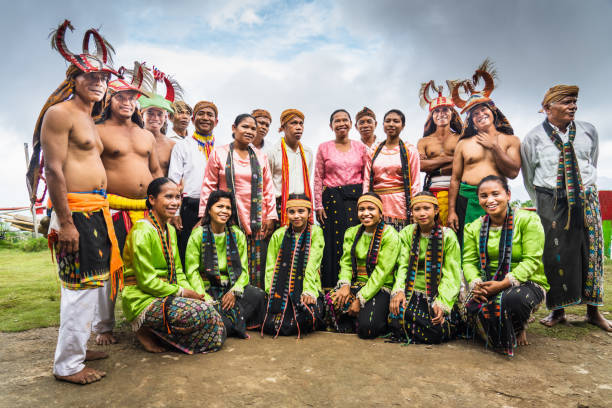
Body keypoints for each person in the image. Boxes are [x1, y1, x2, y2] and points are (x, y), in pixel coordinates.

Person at [27, 20, 123, 385]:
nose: (99, 82)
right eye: (90, 77)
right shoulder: (60, 113)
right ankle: (67, 365)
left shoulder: (89, 116)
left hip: (96, 210)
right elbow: (52, 170)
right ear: (73, 80)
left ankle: (80, 346)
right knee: (79, 289)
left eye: (103, 78)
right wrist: (65, 222)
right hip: (75, 213)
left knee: (94, 285)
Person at [521, 85, 610, 332]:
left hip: (585, 197)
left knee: (591, 250)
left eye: (574, 102)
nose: (573, 106)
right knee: (554, 253)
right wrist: (543, 203)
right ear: (548, 107)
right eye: (567, 102)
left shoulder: (589, 131)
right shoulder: (532, 137)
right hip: (550, 198)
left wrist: (580, 189)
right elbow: (528, 175)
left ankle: (593, 312)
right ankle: (557, 311)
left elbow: (592, 162)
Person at [95, 64, 163, 346]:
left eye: (132, 97)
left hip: (146, 210)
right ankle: (104, 326)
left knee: (149, 266)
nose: (127, 102)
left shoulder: (145, 134)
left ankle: (146, 320)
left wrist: (165, 203)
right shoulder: (97, 130)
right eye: (120, 96)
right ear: (108, 98)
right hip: (112, 208)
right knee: (111, 266)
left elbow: (156, 172)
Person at [122, 178, 226, 354]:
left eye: (178, 197)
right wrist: (184, 293)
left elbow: (178, 271)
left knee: (212, 315)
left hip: (167, 291)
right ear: (152, 200)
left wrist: (196, 295)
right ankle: (143, 328)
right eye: (168, 197)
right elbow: (146, 282)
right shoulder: (141, 232)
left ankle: (161, 333)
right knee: (200, 313)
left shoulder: (169, 230)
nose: (175, 202)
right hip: (142, 298)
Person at [462, 175, 548, 356]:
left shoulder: (527, 220)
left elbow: (531, 261)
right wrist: (476, 283)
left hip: (526, 283)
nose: (490, 200)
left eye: (496, 194)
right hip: (487, 283)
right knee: (467, 307)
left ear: (508, 195)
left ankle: (517, 326)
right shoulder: (473, 227)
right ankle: (503, 329)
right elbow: (469, 262)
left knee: (511, 300)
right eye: (484, 196)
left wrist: (502, 285)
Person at [447, 60, 521, 246]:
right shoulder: (463, 144)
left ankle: (497, 276)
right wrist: (451, 211)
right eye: (474, 114)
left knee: (498, 245)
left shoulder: (511, 140)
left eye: (483, 109)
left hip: (496, 198)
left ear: (493, 112)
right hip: (467, 199)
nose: (480, 114)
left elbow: (513, 173)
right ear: (471, 121)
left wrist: (494, 146)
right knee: (468, 247)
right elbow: (455, 179)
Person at [200, 114, 277, 289]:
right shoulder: (219, 153)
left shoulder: (260, 156)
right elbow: (208, 186)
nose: (249, 131)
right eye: (245, 127)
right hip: (228, 217)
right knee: (230, 263)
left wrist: (271, 216)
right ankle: (230, 302)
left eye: (253, 128)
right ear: (234, 128)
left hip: (258, 219)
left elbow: (268, 188)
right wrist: (205, 216)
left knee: (258, 265)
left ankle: (256, 304)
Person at [185, 190, 266, 337]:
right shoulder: (197, 234)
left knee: (258, 295)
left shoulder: (236, 234)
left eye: (228, 208)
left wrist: (234, 291)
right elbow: (192, 271)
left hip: (231, 288)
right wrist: (205, 298)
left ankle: (226, 321)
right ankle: (229, 321)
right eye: (219, 206)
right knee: (217, 313)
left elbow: (243, 271)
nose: (224, 211)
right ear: (209, 209)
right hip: (208, 288)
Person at [388, 192, 462, 344]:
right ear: (412, 212)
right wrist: (399, 290)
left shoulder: (448, 236)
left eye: (426, 208)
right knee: (395, 316)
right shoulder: (407, 233)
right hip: (410, 292)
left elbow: (451, 274)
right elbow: (402, 266)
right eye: (417, 209)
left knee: (436, 327)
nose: (422, 213)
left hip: (436, 294)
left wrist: (443, 302)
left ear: (436, 211)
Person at [325, 193, 400, 338]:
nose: (366, 213)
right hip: (356, 283)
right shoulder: (352, 232)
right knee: (332, 301)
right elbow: (346, 262)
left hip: (380, 287)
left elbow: (381, 273)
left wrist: (360, 299)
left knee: (369, 328)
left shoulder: (390, 235)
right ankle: (353, 319)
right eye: (361, 209)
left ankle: (364, 318)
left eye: (371, 209)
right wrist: (345, 285)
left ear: (380, 212)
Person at [314, 109, 369, 290]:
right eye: (337, 121)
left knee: (356, 239)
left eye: (345, 120)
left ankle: (357, 286)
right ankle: (331, 289)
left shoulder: (361, 147)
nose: (341, 124)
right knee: (333, 242)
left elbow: (366, 175)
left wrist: (365, 200)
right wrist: (318, 205)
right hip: (332, 201)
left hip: (356, 200)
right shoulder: (324, 147)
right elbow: (318, 177)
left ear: (351, 124)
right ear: (331, 126)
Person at [262, 194, 325, 338]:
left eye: (301, 211)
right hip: (280, 289)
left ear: (309, 213)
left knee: (305, 317)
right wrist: (271, 291)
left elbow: (312, 264)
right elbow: (270, 266)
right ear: (287, 213)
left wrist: (309, 291)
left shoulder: (316, 233)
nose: (296, 216)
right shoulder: (279, 234)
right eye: (292, 212)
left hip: (307, 288)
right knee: (273, 324)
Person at [168, 101, 219, 265]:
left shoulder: (222, 148)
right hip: (190, 208)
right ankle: (187, 289)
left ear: (216, 121)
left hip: (217, 208)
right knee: (187, 253)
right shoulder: (182, 146)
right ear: (193, 119)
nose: (205, 118)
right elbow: (173, 180)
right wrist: (175, 213)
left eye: (210, 115)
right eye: (201, 114)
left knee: (215, 254)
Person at [363, 109, 421, 231]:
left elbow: (415, 182)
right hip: (377, 202)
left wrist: (415, 207)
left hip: (400, 204)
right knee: (377, 241)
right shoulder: (373, 150)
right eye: (388, 121)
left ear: (403, 126)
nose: (391, 124)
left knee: (400, 239)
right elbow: (367, 180)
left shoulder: (410, 150)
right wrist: (365, 202)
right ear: (383, 125)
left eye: (396, 121)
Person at [417, 81, 463, 226]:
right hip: (432, 192)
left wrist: (435, 164)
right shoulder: (424, 141)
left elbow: (466, 162)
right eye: (437, 111)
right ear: (431, 116)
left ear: (452, 113)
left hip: (458, 192)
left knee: (457, 231)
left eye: (445, 110)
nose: (441, 114)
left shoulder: (460, 137)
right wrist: (453, 159)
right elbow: (421, 166)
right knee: (435, 234)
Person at [267, 109, 314, 226]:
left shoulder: (308, 152)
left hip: (302, 204)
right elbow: (267, 185)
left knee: (302, 243)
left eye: (301, 123)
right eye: (293, 123)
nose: (299, 127)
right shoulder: (273, 152)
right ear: (283, 127)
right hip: (280, 206)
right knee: (279, 241)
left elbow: (308, 178)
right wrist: (270, 214)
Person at [139, 66, 184, 176]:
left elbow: (178, 177)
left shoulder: (173, 146)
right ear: (141, 115)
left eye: (160, 114)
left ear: (165, 117)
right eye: (150, 113)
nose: (155, 118)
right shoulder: (132, 139)